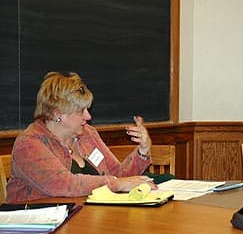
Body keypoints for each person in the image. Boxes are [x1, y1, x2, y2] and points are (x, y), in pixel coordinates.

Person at [6, 72, 158, 203]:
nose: (88, 116)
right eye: (80, 111)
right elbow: (64, 185)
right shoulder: (29, 144)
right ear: (56, 113)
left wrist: (142, 151)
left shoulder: (88, 133)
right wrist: (116, 184)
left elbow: (120, 176)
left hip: (85, 222)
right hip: (36, 230)